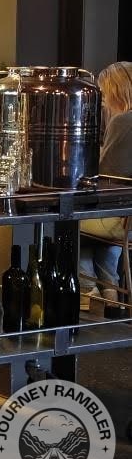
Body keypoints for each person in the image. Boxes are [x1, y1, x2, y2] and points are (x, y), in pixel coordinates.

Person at [82, 62, 132, 307]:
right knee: (99, 236)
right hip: (125, 218)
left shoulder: (124, 121)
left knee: (66, 222)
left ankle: (87, 293)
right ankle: (110, 301)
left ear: (117, 91)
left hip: (123, 218)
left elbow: (108, 174)